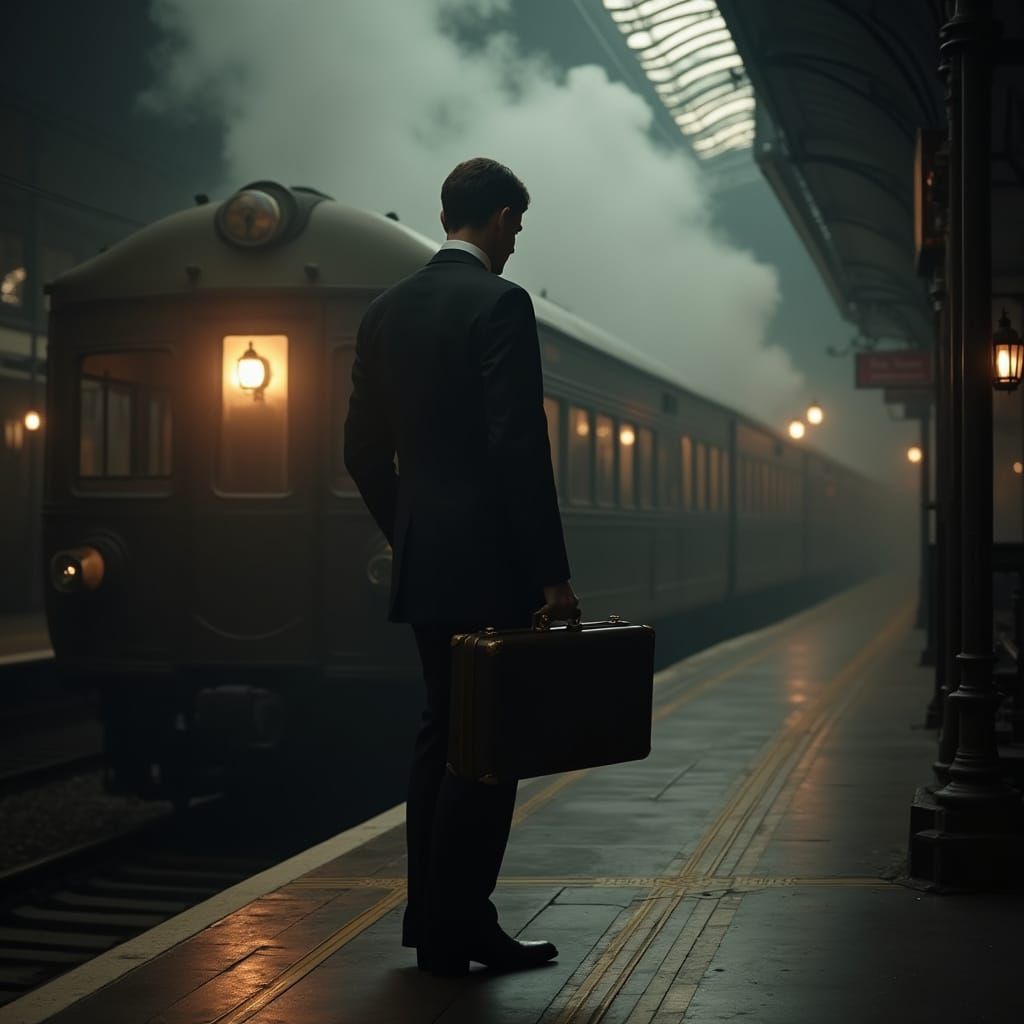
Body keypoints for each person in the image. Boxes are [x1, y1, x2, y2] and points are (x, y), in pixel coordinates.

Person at [344, 157, 578, 977]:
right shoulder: (500, 303)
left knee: (440, 734)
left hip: (427, 570)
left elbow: (362, 452)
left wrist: (407, 533)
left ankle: (431, 922)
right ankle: (463, 924)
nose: (517, 242)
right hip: (491, 571)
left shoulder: (385, 312)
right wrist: (551, 574)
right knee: (489, 746)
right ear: (504, 217)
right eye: (518, 226)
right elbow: (518, 446)